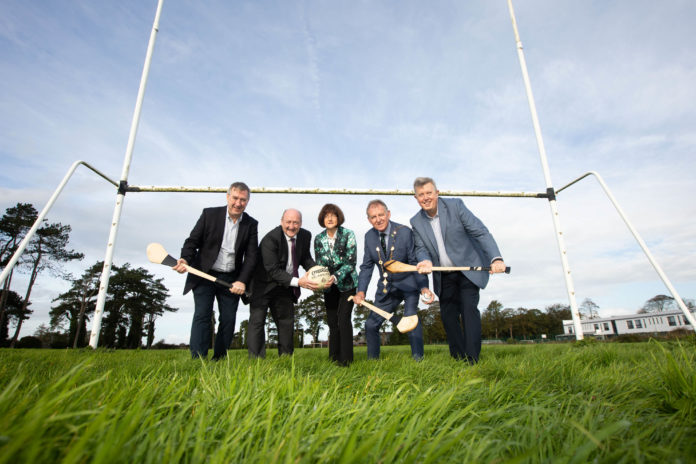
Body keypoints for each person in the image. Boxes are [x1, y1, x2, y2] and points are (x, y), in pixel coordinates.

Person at [410, 177, 506, 364]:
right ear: (416, 198)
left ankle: (472, 359)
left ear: (437, 193)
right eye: (421, 195)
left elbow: (480, 232)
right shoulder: (416, 221)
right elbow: (420, 248)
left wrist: (496, 258)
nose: (426, 198)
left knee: (468, 309)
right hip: (444, 274)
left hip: (468, 269)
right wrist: (425, 261)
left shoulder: (456, 206)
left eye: (429, 193)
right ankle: (458, 358)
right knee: (447, 315)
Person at [174, 182, 258, 360]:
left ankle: (219, 359)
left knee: (228, 319)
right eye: (235, 198)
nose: (238, 203)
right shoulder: (209, 214)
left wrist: (242, 280)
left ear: (247, 201)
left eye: (243, 200)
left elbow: (251, 257)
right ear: (228, 197)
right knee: (202, 315)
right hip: (204, 273)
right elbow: (192, 242)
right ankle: (198, 359)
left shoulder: (251, 224)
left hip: (231, 279)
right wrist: (185, 259)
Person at [354, 200, 434, 360]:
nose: (378, 219)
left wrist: (424, 287)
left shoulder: (405, 232)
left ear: (388, 214)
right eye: (373, 217)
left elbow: (414, 263)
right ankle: (372, 363)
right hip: (386, 289)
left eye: (381, 215)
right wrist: (361, 291)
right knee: (370, 325)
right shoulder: (369, 236)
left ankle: (419, 360)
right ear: (369, 219)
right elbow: (367, 266)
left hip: (409, 285)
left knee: (411, 318)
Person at [247, 209, 320, 357]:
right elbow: (272, 270)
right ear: (282, 222)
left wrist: (318, 273)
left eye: (296, 222)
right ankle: (256, 361)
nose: (291, 226)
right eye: (288, 222)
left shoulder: (305, 235)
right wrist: (299, 282)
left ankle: (286, 358)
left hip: (285, 284)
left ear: (300, 223)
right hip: (263, 285)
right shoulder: (270, 239)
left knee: (286, 322)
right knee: (257, 321)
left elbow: (305, 257)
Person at [314, 203, 358, 366]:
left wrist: (336, 276)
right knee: (332, 321)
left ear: (338, 218)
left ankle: (346, 361)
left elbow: (351, 262)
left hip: (347, 283)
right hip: (328, 286)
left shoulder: (348, 234)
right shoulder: (318, 239)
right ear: (322, 219)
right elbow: (319, 263)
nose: (330, 218)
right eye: (326, 215)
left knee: (343, 319)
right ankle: (333, 359)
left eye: (333, 215)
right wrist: (323, 280)